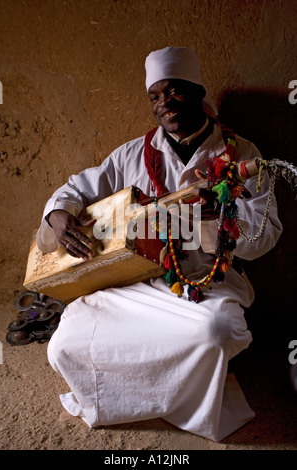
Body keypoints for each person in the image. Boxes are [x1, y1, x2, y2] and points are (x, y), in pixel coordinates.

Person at [37, 47, 282, 442]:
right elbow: (76, 188)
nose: (165, 103)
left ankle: (190, 409)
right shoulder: (132, 154)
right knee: (65, 342)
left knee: (215, 333)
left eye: (175, 91)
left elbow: (264, 235)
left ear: (198, 92)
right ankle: (121, 401)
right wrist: (58, 214)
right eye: (155, 95)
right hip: (136, 283)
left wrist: (212, 222)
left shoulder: (242, 155)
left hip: (206, 281)